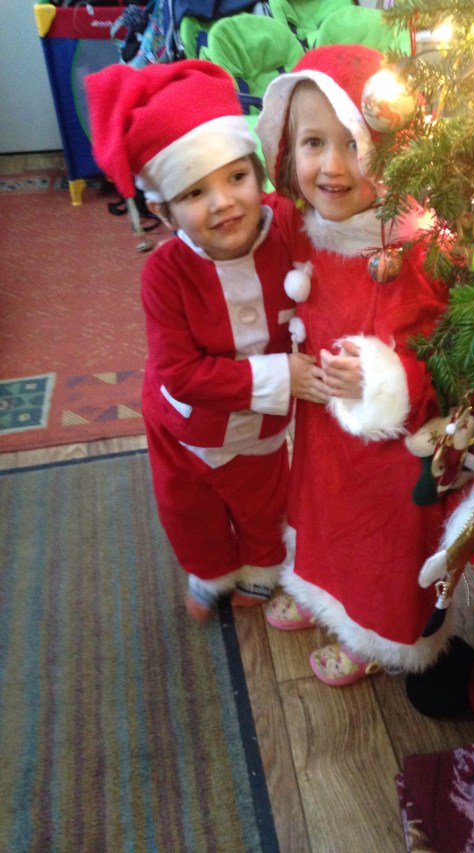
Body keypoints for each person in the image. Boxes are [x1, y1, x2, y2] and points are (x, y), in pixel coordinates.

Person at [86, 60, 327, 620]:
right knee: (185, 507)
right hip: (180, 424)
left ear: (258, 175)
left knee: (263, 502)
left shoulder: (285, 224)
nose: (223, 202)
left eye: (236, 178)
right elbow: (179, 373)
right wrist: (281, 375)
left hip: (260, 429)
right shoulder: (164, 274)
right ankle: (209, 568)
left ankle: (262, 566)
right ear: (162, 211)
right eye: (195, 191)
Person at [254, 45, 452, 686]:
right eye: (314, 143)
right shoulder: (303, 226)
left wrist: (380, 378)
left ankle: (372, 633)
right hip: (321, 435)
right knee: (319, 514)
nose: (333, 167)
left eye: (354, 144)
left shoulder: (414, 251)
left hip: (388, 457)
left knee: (378, 542)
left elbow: (440, 360)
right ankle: (318, 590)